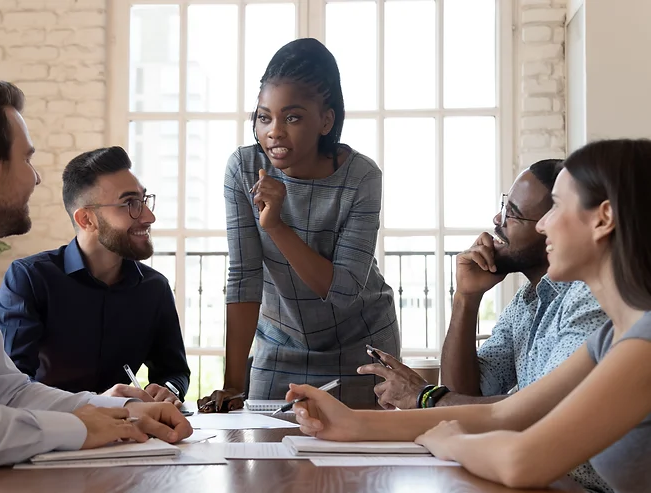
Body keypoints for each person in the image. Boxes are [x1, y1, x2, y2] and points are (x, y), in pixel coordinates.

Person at [287, 139, 651, 493]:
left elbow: (521, 460)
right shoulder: (612, 339)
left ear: (603, 219)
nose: (543, 225)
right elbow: (505, 413)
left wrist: (451, 441)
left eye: (555, 206)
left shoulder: (644, 344)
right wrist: (349, 422)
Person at [0, 78, 191, 476]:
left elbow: (6, 392)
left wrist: (125, 409)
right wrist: (76, 427)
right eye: (27, 159)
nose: (36, 178)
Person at [359, 160, 611, 491]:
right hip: (535, 478)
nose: (497, 222)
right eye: (503, 206)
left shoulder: (592, 301)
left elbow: (539, 413)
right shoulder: (528, 300)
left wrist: (424, 397)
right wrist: (466, 298)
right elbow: (468, 394)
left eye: (513, 214)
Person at [199, 38, 400, 412]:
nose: (274, 131)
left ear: (326, 120)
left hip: (362, 345)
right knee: (264, 458)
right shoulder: (242, 170)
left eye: (292, 117)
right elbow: (244, 276)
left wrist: (276, 226)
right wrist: (232, 383)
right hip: (280, 342)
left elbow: (341, 291)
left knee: (355, 467)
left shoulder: (361, 177)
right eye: (264, 117)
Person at [0, 146, 190, 404]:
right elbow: (12, 385)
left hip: (131, 437)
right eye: (130, 203)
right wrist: (96, 402)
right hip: (51, 436)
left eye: (143, 200)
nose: (149, 216)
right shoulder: (30, 280)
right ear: (87, 219)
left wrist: (168, 390)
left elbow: (174, 372)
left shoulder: (155, 288)